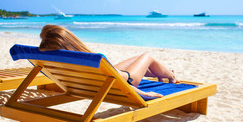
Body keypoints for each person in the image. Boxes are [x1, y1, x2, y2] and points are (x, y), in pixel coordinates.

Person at [38, 25, 180, 98]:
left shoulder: (59, 58)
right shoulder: (86, 58)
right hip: (127, 80)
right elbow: (117, 81)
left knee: (138, 60)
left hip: (109, 77)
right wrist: (143, 93)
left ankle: (163, 74)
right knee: (147, 56)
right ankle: (171, 76)